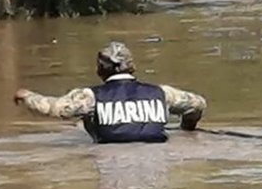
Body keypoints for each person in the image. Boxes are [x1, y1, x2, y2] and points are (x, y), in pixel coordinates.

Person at [13, 42, 207, 143]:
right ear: (132, 67)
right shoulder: (162, 94)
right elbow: (198, 104)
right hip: (158, 159)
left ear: (100, 69)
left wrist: (27, 96)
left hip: (110, 160)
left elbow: (54, 108)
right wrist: (187, 128)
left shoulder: (89, 97)